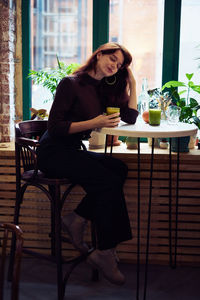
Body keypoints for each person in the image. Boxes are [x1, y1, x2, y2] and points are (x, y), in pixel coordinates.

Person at [37, 42, 139, 285]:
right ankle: (104, 250)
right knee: (107, 180)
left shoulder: (103, 89)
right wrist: (94, 122)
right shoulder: (70, 83)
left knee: (119, 169)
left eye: (120, 65)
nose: (115, 66)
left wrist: (132, 82)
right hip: (53, 152)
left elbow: (131, 116)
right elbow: (56, 127)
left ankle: (77, 218)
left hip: (72, 151)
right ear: (99, 54)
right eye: (112, 58)